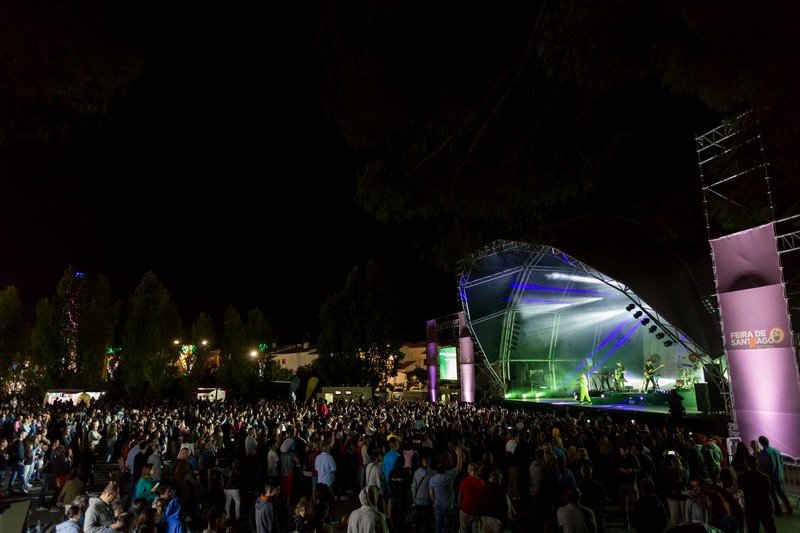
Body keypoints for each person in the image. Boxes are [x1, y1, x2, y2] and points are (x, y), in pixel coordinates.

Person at [737, 455, 776, 533]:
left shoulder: (742, 477)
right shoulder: (764, 477)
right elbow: (767, 493)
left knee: (753, 530)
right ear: (757, 464)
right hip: (765, 506)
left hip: (751, 507)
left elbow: (739, 487)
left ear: (746, 464)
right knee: (770, 529)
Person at [757, 435, 793, 515]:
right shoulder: (776, 450)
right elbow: (781, 461)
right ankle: (789, 507)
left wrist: (761, 470)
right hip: (778, 474)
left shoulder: (765, 452)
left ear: (761, 443)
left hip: (770, 476)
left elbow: (765, 464)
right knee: (780, 492)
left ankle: (778, 509)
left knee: (772, 493)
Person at [458, 462, 485, 533]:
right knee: (476, 530)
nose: (467, 470)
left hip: (465, 510)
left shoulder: (464, 481)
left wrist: (459, 506)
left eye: (468, 469)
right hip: (476, 511)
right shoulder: (482, 483)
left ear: (471, 470)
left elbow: (460, 495)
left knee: (463, 529)